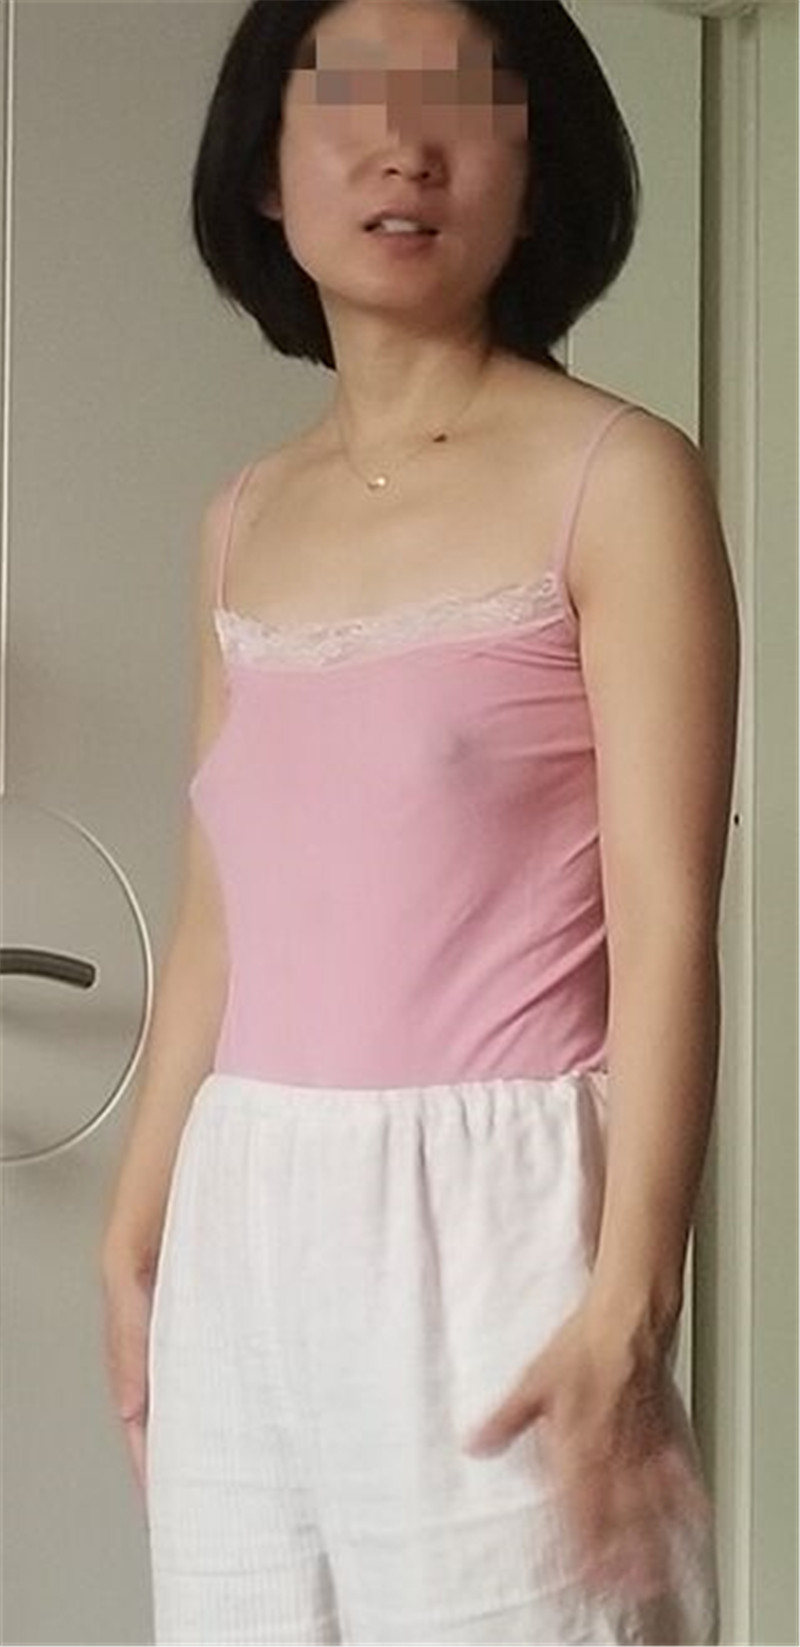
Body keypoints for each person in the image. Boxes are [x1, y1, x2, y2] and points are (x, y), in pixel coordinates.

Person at [101, 1, 741, 1642]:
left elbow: (670, 916)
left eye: (466, 103)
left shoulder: (619, 477)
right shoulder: (242, 518)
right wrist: (138, 1219)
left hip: (495, 1231)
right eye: (351, 101)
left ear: (540, 167)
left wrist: (634, 1299)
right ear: (264, 168)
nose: (406, 148)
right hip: (243, 1223)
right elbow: (222, 907)